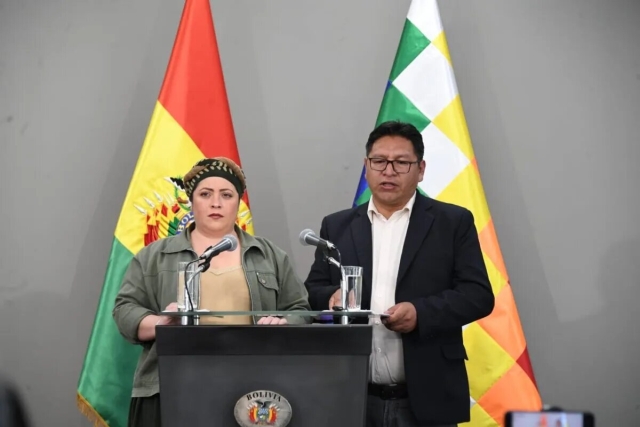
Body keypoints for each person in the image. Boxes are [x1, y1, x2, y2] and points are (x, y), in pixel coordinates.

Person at [304, 121, 495, 427]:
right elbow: (313, 290)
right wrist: (331, 298)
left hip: (426, 397)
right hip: (353, 396)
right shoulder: (337, 226)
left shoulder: (451, 222)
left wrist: (421, 313)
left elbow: (477, 296)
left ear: (420, 170)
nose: (388, 170)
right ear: (367, 167)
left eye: (401, 162)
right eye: (379, 161)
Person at [113, 157, 311, 427]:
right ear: (192, 201)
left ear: (238, 203)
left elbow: (300, 310)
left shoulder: (269, 256)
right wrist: (162, 322)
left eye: (226, 195)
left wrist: (283, 323)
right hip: (172, 385)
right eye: (205, 194)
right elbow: (125, 310)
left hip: (254, 389)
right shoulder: (155, 256)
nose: (216, 203)